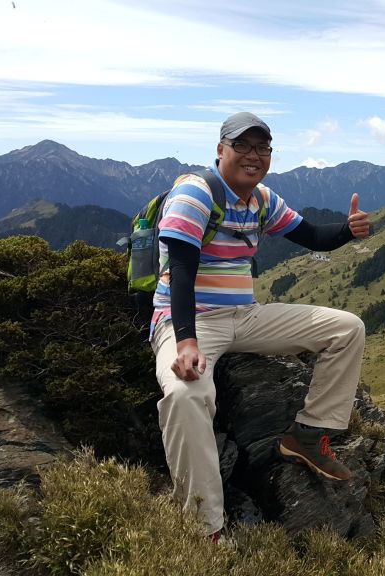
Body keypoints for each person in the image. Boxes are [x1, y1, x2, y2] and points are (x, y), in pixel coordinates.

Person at [150, 112, 371, 540]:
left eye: (262, 148)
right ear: (220, 150)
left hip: (245, 316)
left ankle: (307, 435)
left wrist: (348, 229)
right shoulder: (194, 196)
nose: (253, 155)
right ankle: (205, 528)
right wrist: (186, 342)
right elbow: (179, 269)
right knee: (184, 393)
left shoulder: (262, 200)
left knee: (347, 328)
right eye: (243, 146)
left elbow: (312, 236)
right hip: (191, 321)